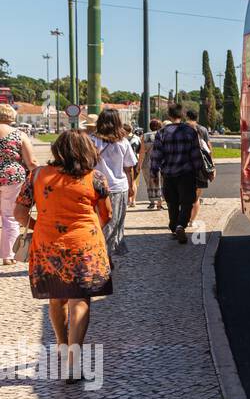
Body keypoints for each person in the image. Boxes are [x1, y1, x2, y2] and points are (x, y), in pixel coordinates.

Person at [13, 131, 113, 382]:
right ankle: (73, 363)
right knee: (80, 300)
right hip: (85, 246)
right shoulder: (95, 178)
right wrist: (88, 231)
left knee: (56, 297)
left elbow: (19, 213)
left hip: (47, 245)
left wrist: (41, 226)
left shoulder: (36, 176)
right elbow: (107, 214)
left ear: (57, 150)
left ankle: (60, 343)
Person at [150, 104, 204, 243]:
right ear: (183, 115)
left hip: (168, 174)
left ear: (169, 115)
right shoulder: (190, 131)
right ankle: (181, 225)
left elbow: (156, 155)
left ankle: (174, 227)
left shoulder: (161, 133)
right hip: (187, 173)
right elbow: (196, 154)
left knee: (172, 202)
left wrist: (154, 172)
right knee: (187, 202)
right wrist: (200, 171)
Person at [89, 109, 137, 257]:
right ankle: (106, 254)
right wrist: (132, 185)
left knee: (98, 221)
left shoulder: (91, 140)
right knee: (115, 223)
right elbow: (129, 167)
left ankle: (100, 251)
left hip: (95, 186)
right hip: (118, 187)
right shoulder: (123, 142)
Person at [0, 103, 37, 265]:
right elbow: (31, 161)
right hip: (12, 178)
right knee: (9, 216)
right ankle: (8, 255)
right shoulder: (19, 134)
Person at [185, 109, 214, 228]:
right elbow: (208, 148)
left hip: (184, 166)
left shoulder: (181, 129)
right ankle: (192, 221)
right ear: (197, 117)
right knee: (196, 197)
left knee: (184, 195)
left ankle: (184, 219)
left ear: (186, 116)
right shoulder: (202, 130)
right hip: (199, 166)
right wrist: (212, 167)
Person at [138, 118, 164, 210]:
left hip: (148, 163)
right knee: (161, 182)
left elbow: (142, 152)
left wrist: (139, 164)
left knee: (149, 183)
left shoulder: (145, 136)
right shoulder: (163, 135)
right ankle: (159, 203)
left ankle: (152, 202)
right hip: (161, 162)